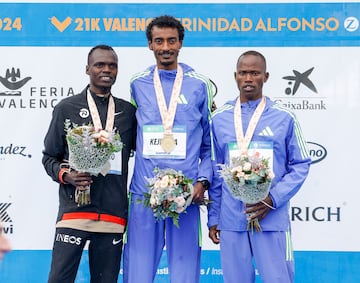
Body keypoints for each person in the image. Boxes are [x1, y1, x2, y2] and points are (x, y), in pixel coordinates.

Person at [123, 15, 214, 283]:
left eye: (171, 41)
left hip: (186, 193)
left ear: (180, 43)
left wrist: (203, 181)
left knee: (185, 270)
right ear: (150, 45)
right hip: (143, 193)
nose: (166, 47)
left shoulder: (200, 84)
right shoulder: (137, 84)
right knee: (137, 268)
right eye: (159, 41)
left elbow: (210, 144)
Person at [208, 50, 311, 283]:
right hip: (232, 219)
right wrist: (214, 217)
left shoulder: (284, 117)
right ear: (235, 76)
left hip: (270, 217)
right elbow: (215, 171)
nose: (248, 78)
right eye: (243, 73)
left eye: (254, 73)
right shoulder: (220, 118)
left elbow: (301, 164)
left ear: (266, 77)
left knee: (278, 278)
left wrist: (272, 199)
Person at [42, 44, 136, 283]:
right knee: (59, 279)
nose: (107, 70)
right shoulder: (67, 108)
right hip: (74, 211)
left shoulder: (128, 112)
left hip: (113, 217)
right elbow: (49, 157)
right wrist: (68, 176)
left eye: (112, 65)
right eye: (100, 65)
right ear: (87, 69)